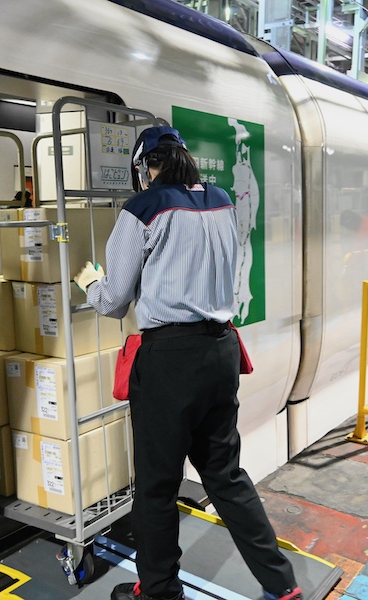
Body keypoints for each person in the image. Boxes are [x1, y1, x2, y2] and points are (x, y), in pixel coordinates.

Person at [73, 126, 302, 600]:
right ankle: (282, 586)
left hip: (169, 362)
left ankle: (159, 593)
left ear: (144, 167)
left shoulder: (142, 209)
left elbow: (115, 300)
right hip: (220, 352)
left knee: (156, 488)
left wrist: (90, 282)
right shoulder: (222, 201)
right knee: (226, 476)